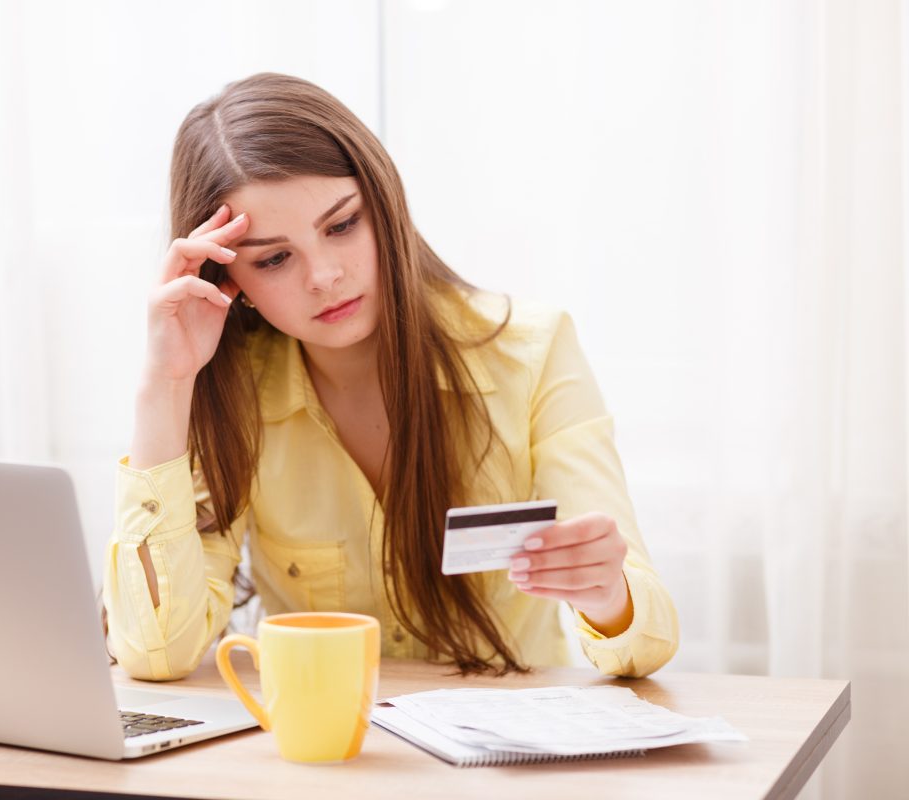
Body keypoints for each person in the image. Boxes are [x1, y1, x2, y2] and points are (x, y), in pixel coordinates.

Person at [103, 72, 678, 681]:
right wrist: (164, 385)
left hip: (501, 760)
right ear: (229, 282)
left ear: (384, 204)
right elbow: (156, 653)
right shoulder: (236, 391)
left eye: (342, 225)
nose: (323, 276)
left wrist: (607, 593)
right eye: (274, 258)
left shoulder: (532, 353)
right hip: (326, 758)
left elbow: (645, 646)